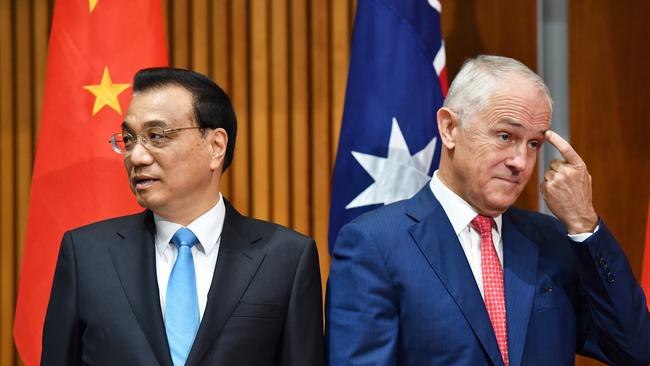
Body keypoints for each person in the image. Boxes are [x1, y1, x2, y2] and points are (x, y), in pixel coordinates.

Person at [326, 55, 650, 365]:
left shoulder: (552, 241)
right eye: (505, 136)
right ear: (449, 128)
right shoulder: (375, 245)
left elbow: (634, 348)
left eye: (534, 144)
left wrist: (583, 223)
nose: (520, 162)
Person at [42, 67, 325, 366]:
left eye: (156, 136)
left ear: (216, 146)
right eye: (129, 139)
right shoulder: (86, 256)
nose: (136, 157)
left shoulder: (285, 258)